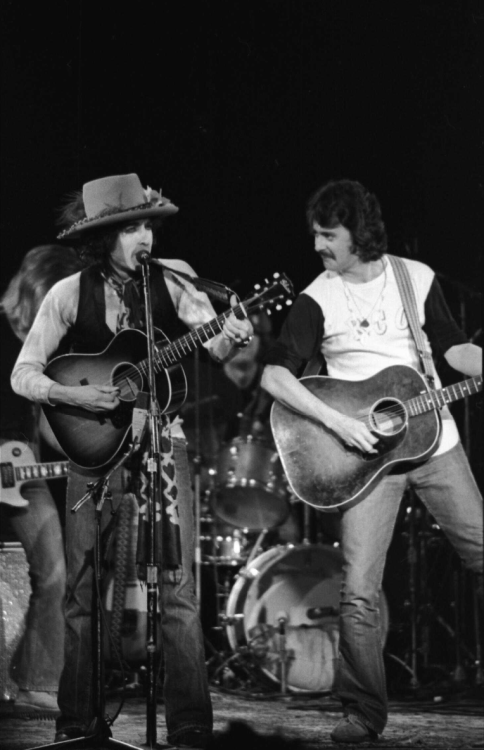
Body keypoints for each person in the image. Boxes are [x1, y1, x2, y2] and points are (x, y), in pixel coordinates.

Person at [11, 173, 253, 748]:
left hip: (163, 445)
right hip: (91, 452)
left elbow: (215, 344)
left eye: (147, 224)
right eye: (130, 228)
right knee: (82, 591)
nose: (144, 236)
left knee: (178, 586)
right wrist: (76, 396)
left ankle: (191, 725)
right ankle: (77, 723)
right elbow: (24, 374)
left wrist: (234, 334)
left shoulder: (176, 281)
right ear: (103, 239)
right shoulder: (67, 292)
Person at [260, 179, 483, 744]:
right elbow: (275, 374)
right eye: (314, 233)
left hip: (435, 443)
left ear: (358, 233)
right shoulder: (318, 296)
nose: (317, 245)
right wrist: (340, 423)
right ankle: (362, 712)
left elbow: (453, 346)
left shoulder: (416, 277)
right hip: (363, 460)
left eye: (327, 234)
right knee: (359, 588)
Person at [0, 245, 82, 713]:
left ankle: (36, 682)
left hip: (23, 469)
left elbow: (47, 424)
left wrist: (84, 448)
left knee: (55, 566)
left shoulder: (47, 348)